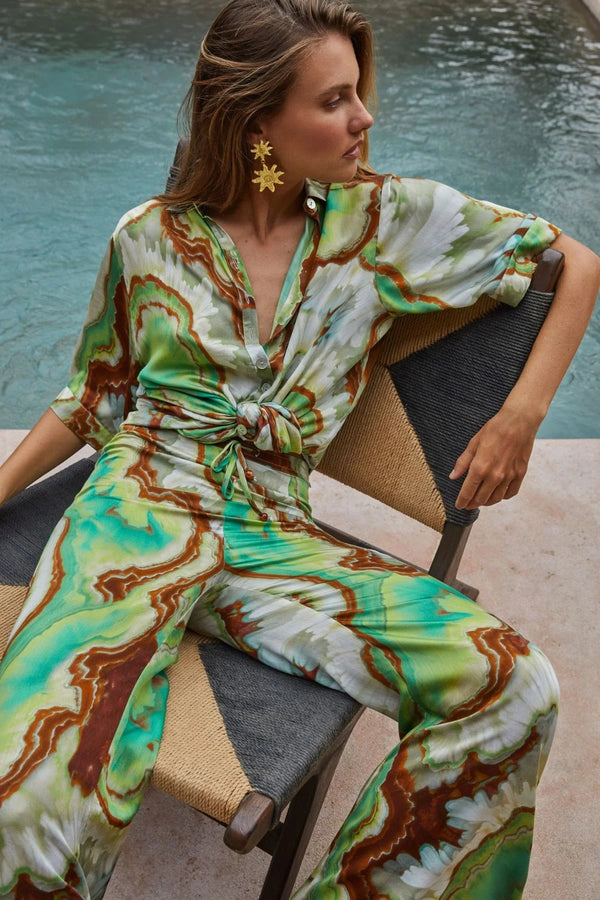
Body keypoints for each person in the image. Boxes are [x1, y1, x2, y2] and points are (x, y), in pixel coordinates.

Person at [0, 0, 598, 896]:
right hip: (134, 518)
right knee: (30, 802)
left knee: (512, 686)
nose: (365, 118)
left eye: (358, 93)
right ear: (255, 125)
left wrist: (522, 414)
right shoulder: (148, 237)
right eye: (334, 101)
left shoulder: (384, 223)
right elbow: (95, 397)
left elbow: (573, 261)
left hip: (273, 540)